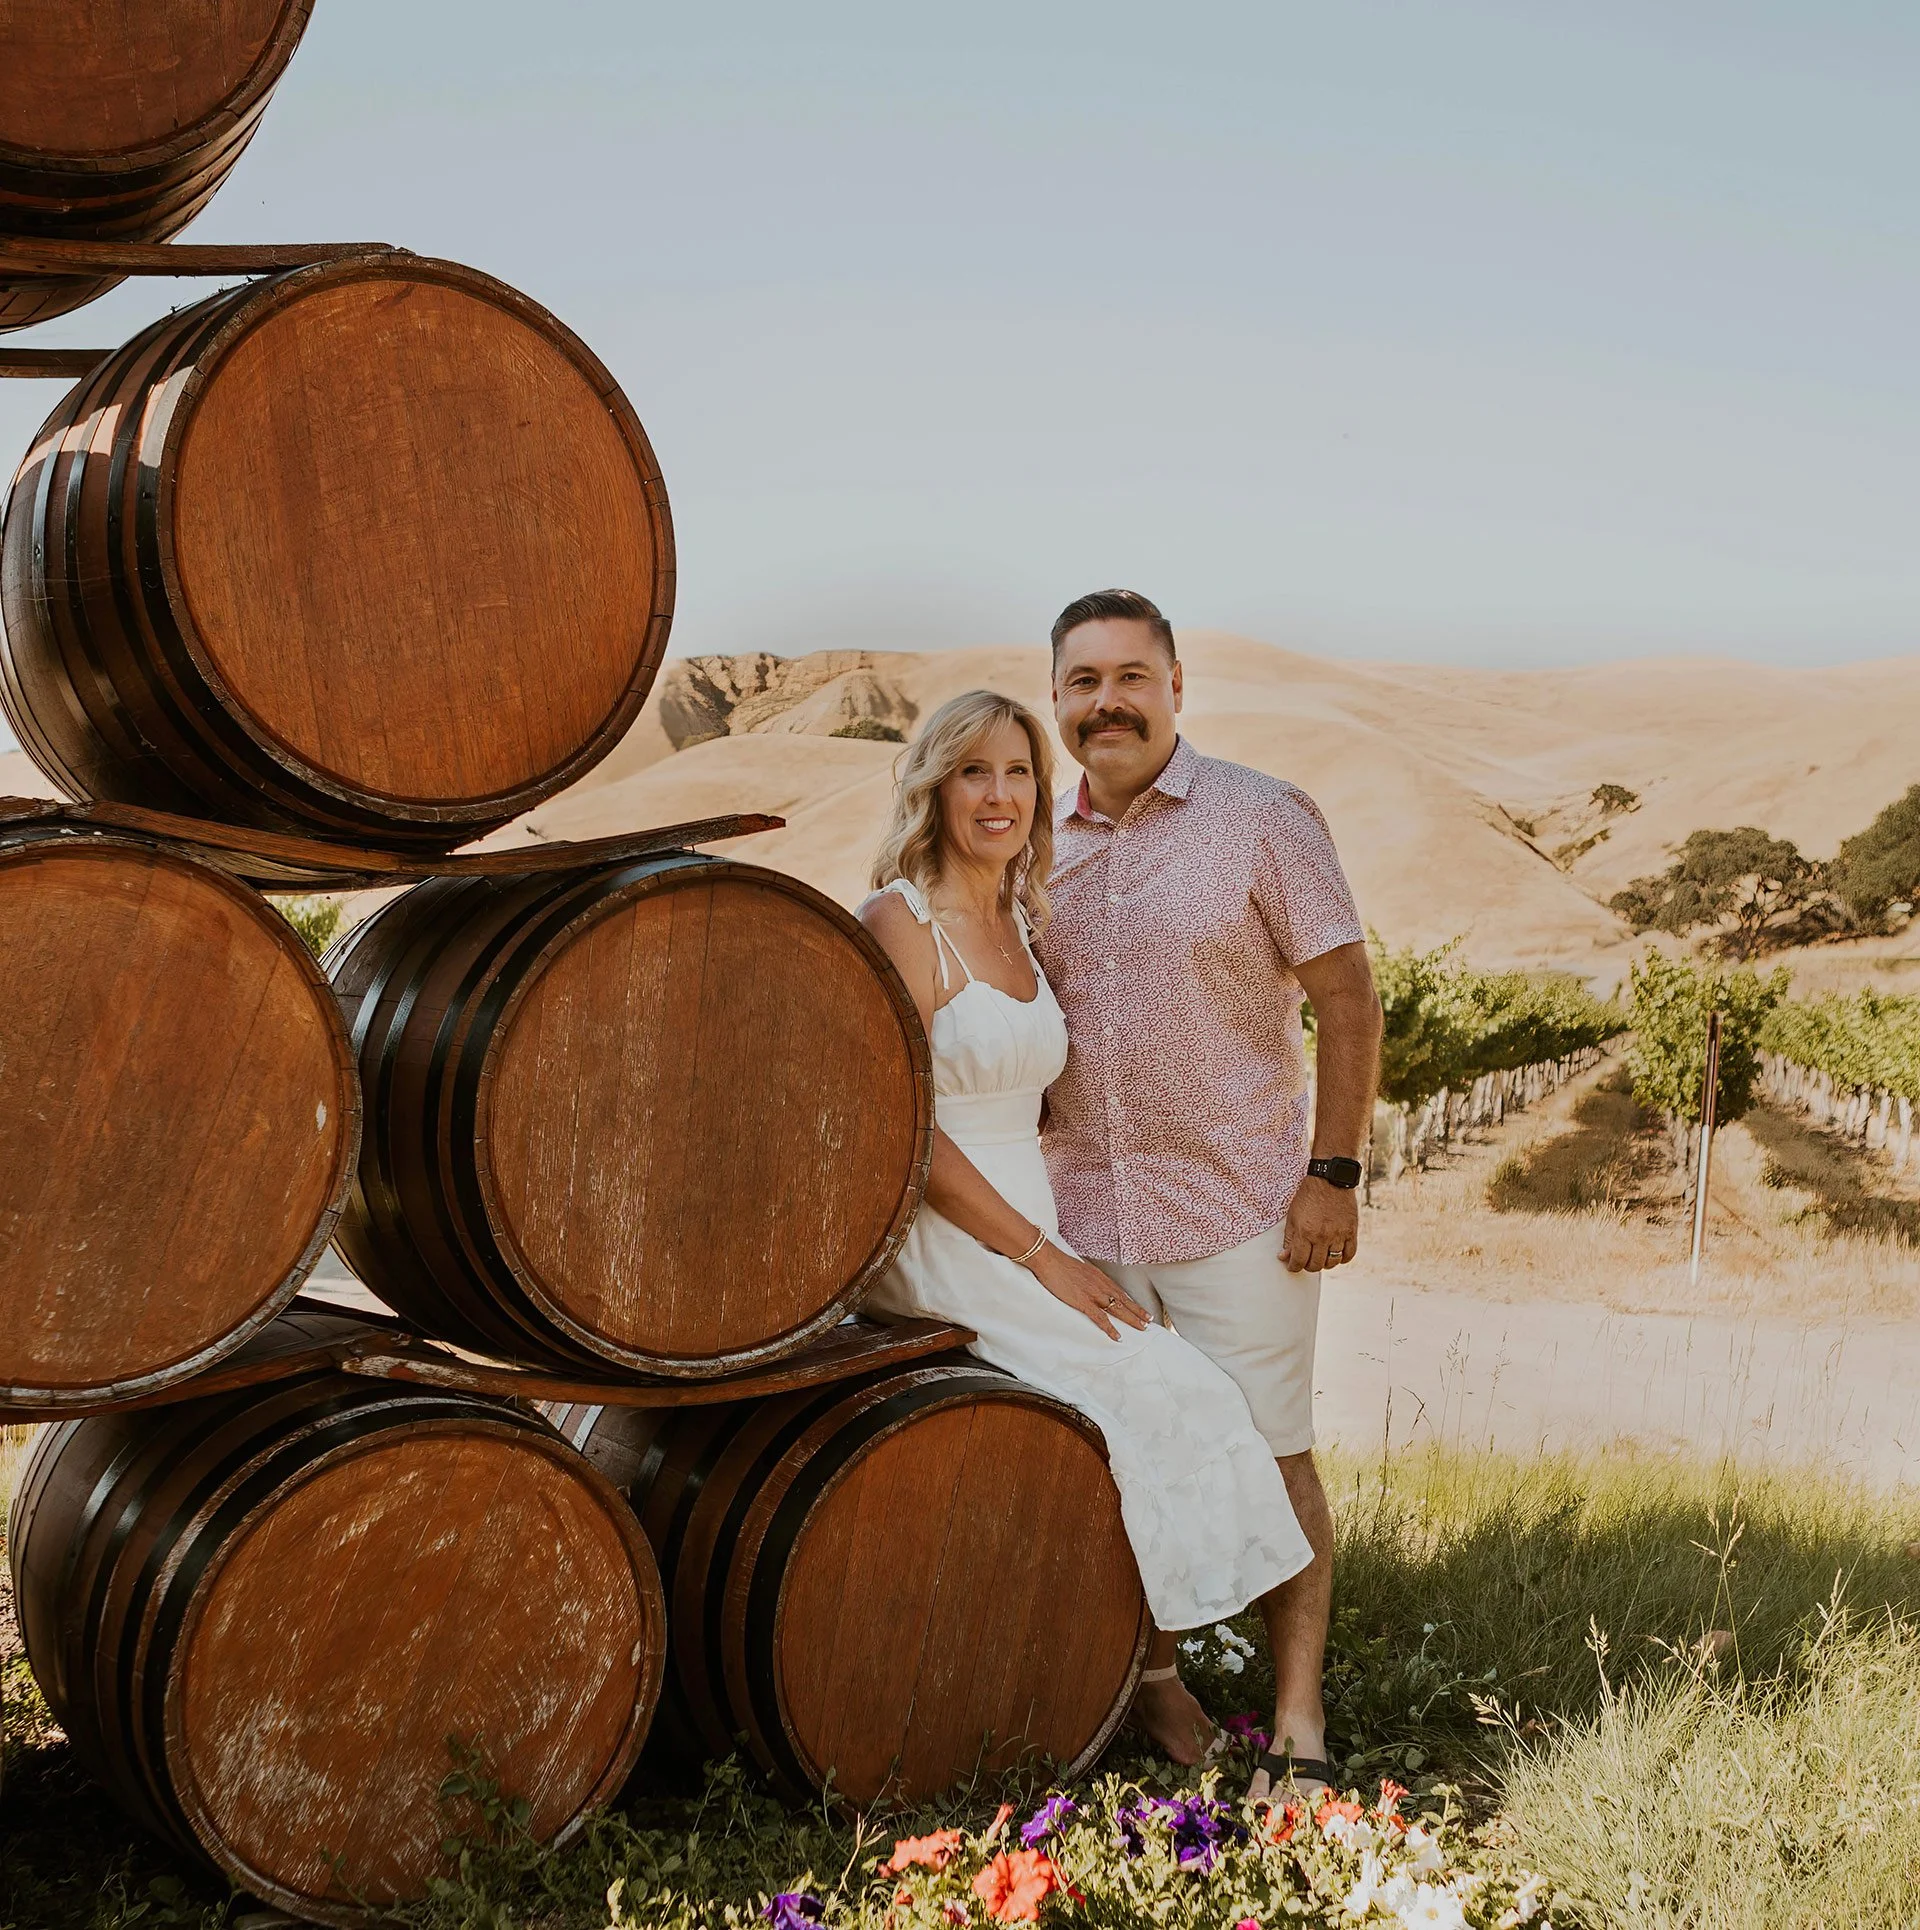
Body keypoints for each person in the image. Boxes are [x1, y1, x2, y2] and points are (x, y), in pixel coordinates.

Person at [858, 688, 1313, 1664]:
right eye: (975, 770)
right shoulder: (902, 924)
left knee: (1178, 1388)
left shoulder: (1023, 917)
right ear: (935, 788)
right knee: (1146, 1378)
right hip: (945, 1230)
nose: (1000, 793)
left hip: (1035, 1216)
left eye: (1019, 770)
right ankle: (1149, 1672)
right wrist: (1043, 1260)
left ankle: (1167, 1644)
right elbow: (908, 1132)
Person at [1039, 588, 1383, 1803]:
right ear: (1059, 702)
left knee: (1274, 1454)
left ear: (1178, 687)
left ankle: (1299, 1713)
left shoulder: (1261, 818)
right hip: (1080, 1217)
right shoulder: (1036, 843)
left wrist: (1331, 1174)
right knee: (1120, 1462)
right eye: (1083, 682)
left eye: (1131, 676)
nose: (1108, 701)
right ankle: (1147, 1678)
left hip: (1241, 1208)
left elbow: (1348, 998)